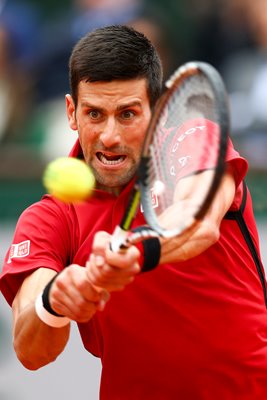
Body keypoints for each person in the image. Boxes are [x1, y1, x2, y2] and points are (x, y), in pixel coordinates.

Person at [0, 25, 266, 399]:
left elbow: (199, 219)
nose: (110, 135)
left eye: (127, 114)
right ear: (71, 112)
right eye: (94, 114)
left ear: (157, 111)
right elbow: (29, 349)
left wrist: (137, 251)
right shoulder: (50, 218)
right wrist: (54, 301)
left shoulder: (193, 137)